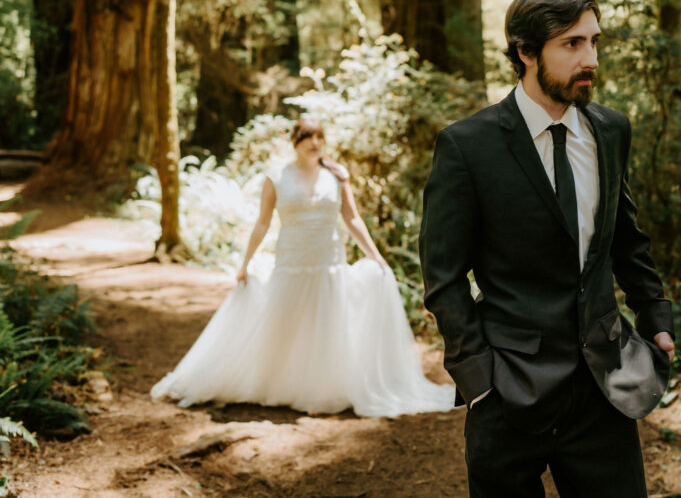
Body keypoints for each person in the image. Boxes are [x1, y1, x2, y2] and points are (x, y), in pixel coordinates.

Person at [419, 0, 675, 497]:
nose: (591, 59)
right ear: (526, 52)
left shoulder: (611, 130)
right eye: (572, 44)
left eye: (594, 42)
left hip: (606, 385)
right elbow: (444, 277)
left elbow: (625, 236)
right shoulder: (468, 146)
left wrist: (655, 316)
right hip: (509, 390)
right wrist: (479, 379)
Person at [151, 118, 454, 417]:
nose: (315, 143)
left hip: (328, 264)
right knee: (286, 325)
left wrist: (376, 255)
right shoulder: (277, 177)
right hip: (291, 263)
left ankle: (322, 391)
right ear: (294, 143)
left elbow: (351, 218)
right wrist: (244, 263)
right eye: (308, 137)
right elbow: (262, 222)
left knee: (327, 327)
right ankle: (281, 384)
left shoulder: (337, 176)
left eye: (320, 137)